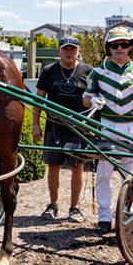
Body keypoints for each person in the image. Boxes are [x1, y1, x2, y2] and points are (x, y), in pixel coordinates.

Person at [82, 26, 133, 235]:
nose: (119, 48)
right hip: (106, 126)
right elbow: (85, 98)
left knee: (131, 174)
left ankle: (131, 215)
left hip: (132, 128)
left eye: (124, 45)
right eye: (115, 45)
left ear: (131, 47)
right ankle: (104, 218)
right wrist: (93, 100)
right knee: (103, 173)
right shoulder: (98, 72)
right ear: (109, 47)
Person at [31, 36, 93, 223]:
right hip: (54, 126)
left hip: (79, 127)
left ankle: (74, 208)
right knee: (53, 166)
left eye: (72, 49)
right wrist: (36, 124)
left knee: (77, 167)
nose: (69, 52)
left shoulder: (88, 71)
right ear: (59, 51)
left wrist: (93, 127)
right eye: (65, 49)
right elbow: (38, 99)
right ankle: (53, 205)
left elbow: (95, 99)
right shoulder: (49, 71)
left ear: (78, 51)